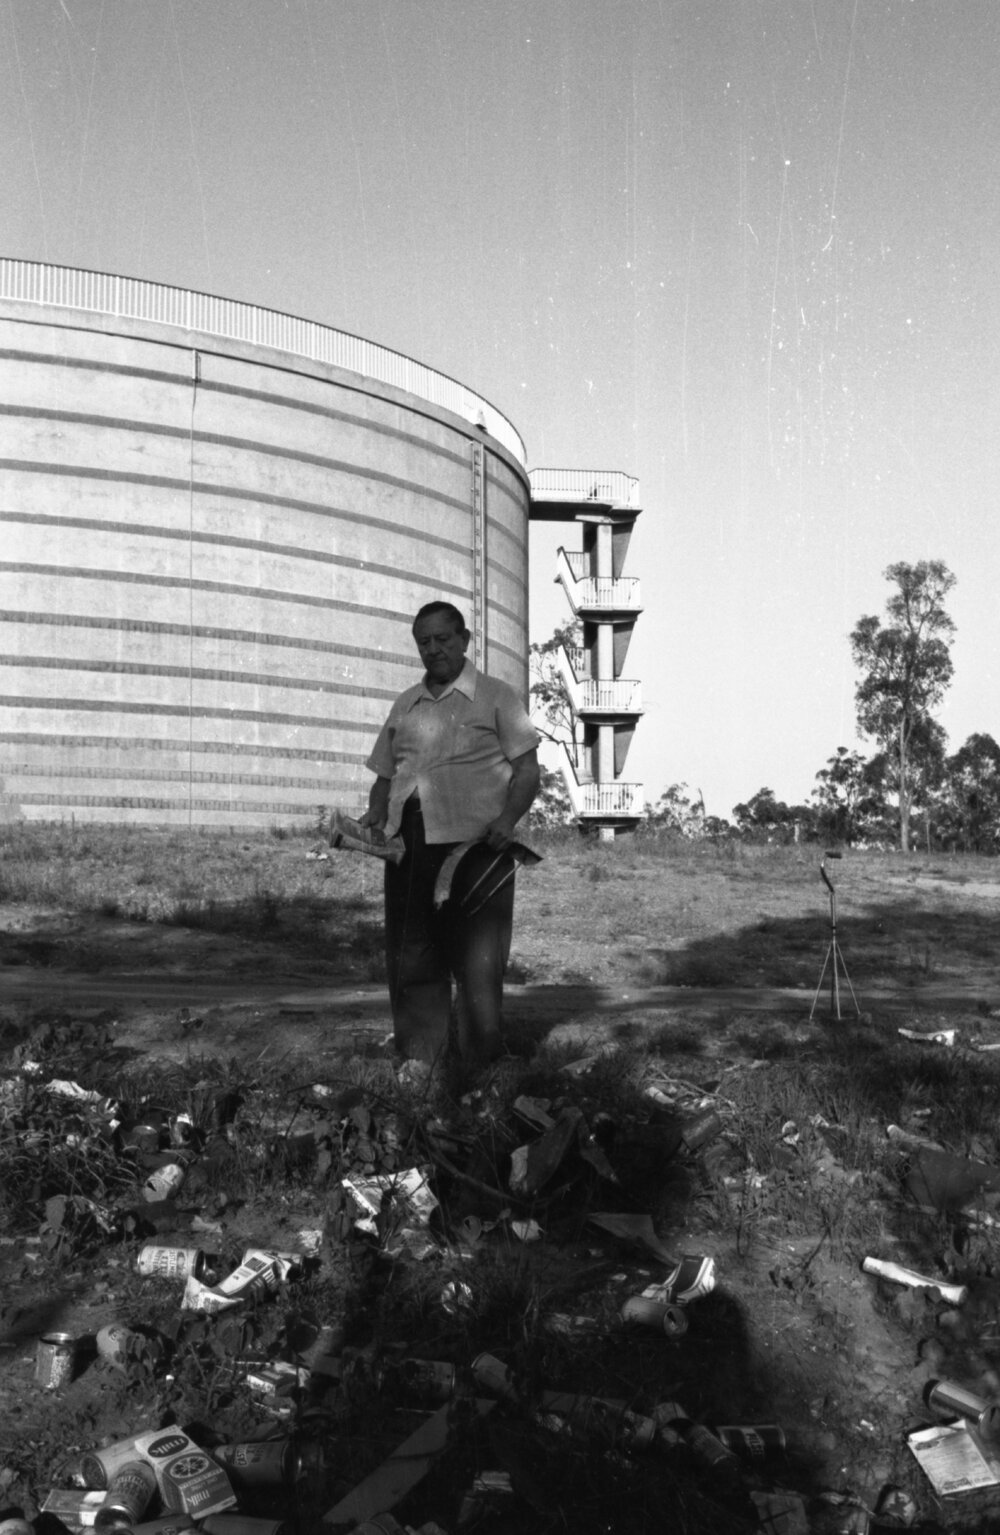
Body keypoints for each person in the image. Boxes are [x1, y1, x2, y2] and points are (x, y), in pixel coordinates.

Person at [361, 601, 540, 1068]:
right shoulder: (406, 703)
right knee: (412, 954)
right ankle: (421, 1063)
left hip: (476, 848)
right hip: (409, 847)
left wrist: (507, 822)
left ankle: (481, 1065)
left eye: (443, 639)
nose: (434, 649)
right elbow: (384, 775)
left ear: (464, 640)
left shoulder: (497, 697)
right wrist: (375, 813)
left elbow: (526, 771)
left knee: (479, 960)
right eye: (424, 642)